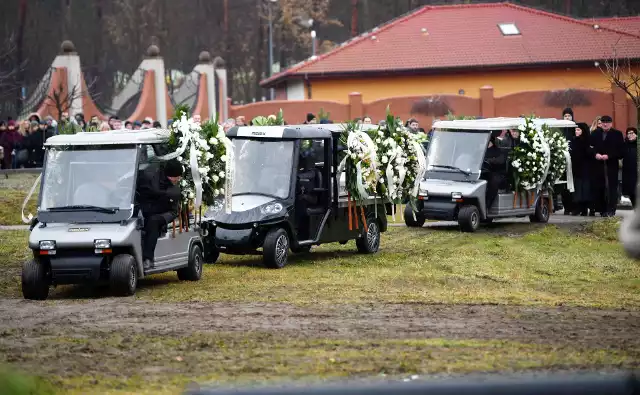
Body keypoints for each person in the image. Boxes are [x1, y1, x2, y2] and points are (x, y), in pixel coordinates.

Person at [136, 159, 183, 269]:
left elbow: (174, 210)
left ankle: (148, 258)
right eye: (177, 176)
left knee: (153, 222)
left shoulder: (174, 190)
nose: (179, 179)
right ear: (170, 175)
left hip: (166, 212)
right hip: (145, 208)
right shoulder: (150, 178)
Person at [589, 115, 625, 217]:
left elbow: (621, 151)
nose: (605, 124)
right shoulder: (595, 133)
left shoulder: (617, 134)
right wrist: (595, 154)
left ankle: (611, 209)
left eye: (607, 122)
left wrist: (609, 156)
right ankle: (602, 209)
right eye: (603, 122)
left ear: (611, 123)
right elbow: (589, 148)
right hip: (598, 166)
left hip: (611, 165)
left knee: (611, 188)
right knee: (600, 187)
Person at [481, 131, 508, 210]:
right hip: (483, 172)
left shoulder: (498, 151)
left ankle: (487, 205)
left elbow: (500, 160)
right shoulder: (481, 151)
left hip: (497, 174)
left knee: (493, 180)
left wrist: (489, 161)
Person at [570, 123, 592, 216]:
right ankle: (578, 207)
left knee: (585, 188)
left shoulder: (587, 141)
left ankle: (584, 208)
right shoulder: (574, 141)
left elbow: (589, 153)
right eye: (575, 130)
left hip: (585, 168)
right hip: (576, 168)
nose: (576, 132)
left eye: (578, 130)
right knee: (578, 188)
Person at [622, 127, 638, 209]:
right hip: (628, 171)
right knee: (631, 192)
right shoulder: (625, 144)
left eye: (632, 133)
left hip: (637, 171)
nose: (630, 135)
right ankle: (635, 208)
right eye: (628, 133)